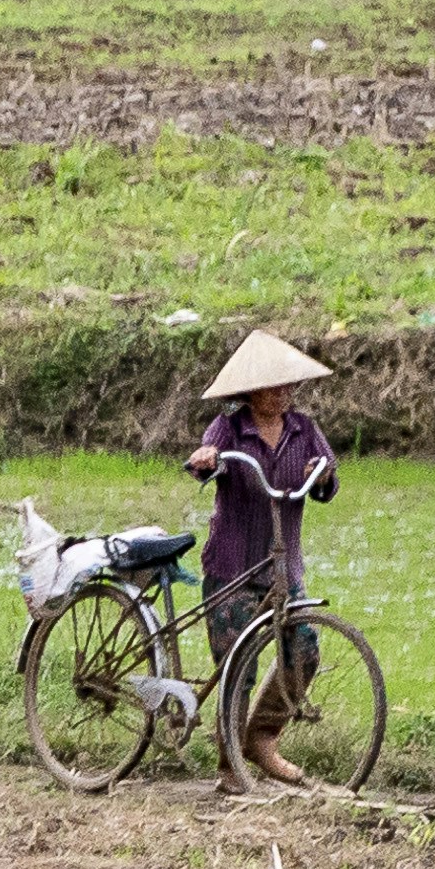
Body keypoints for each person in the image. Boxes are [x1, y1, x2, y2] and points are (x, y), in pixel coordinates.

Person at [185, 329, 337, 787]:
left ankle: (262, 737)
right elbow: (203, 463)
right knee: (238, 663)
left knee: (304, 650)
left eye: (288, 385)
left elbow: (329, 481)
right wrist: (207, 460)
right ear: (251, 391)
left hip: (283, 565)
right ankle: (229, 763)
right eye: (272, 386)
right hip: (233, 566)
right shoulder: (228, 428)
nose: (282, 394)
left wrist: (320, 473)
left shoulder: (304, 430)